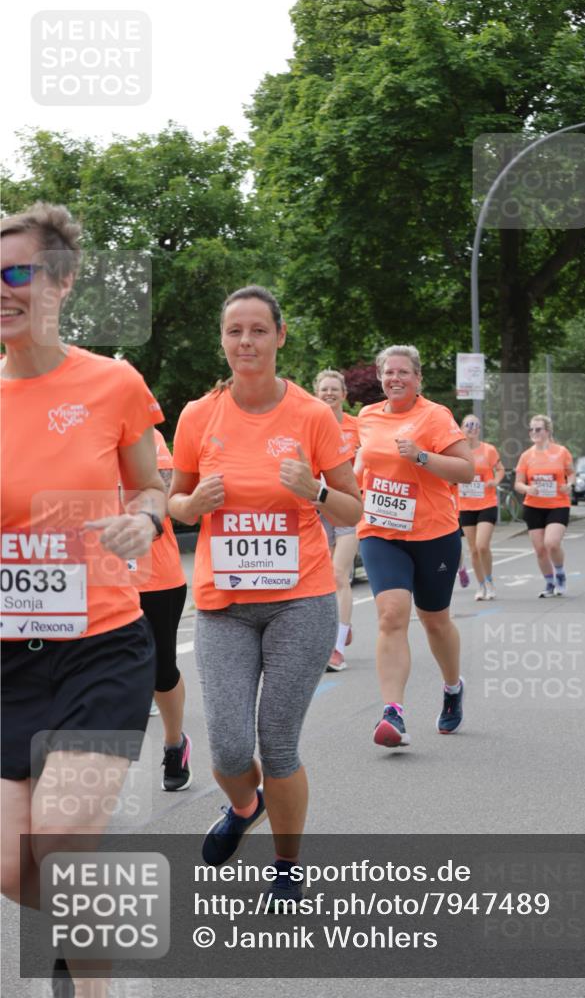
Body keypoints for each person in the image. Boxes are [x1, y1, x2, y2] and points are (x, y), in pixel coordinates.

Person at [1, 203, 165, 992]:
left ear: (60, 283)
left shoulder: (112, 383)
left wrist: (142, 519)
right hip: (7, 661)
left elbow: (151, 489)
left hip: (102, 645)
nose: (1, 291)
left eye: (16, 274)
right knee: (9, 864)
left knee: (61, 834)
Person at [168, 285, 361, 904]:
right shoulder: (199, 415)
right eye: (234, 332)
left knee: (277, 743)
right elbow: (173, 501)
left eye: (257, 330)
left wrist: (316, 491)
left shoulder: (312, 416)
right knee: (227, 747)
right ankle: (243, 805)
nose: (245, 342)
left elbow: (355, 507)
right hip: (223, 604)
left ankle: (286, 863)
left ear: (280, 336)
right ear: (222, 341)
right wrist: (191, 506)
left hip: (300, 600)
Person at [354, 345, 474, 748]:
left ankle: (452, 687)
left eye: (404, 372)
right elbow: (360, 465)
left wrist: (421, 456)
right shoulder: (367, 417)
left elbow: (466, 469)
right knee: (391, 615)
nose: (396, 379)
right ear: (381, 377)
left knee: (435, 619)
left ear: (418, 378)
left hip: (433, 532)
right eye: (389, 373)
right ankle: (394, 713)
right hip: (380, 530)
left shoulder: (435, 416)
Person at [130, 427, 191, 791]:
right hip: (93, 576)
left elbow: (164, 494)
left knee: (161, 670)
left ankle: (174, 743)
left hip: (155, 575)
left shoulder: (144, 435)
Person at [313, 369, 360, 672]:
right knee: (322, 583)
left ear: (344, 395)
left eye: (334, 389)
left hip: (348, 510)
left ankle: (337, 647)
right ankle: (343, 624)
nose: (329, 394)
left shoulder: (359, 427)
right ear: (316, 394)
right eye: (323, 390)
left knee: (338, 575)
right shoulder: (310, 424)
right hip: (317, 508)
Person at [514, 414, 575, 597]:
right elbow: (518, 483)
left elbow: (571, 473)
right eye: (531, 429)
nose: (534, 432)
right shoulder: (526, 456)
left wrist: (569, 485)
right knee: (540, 549)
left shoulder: (561, 452)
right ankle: (549, 582)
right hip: (533, 506)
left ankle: (561, 574)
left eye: (538, 429)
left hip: (558, 503)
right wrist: (527, 488)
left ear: (547, 431)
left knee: (552, 543)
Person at [457, 415, 505, 600]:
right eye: (468, 425)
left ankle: (490, 581)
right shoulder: (457, 452)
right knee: (473, 549)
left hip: (487, 503)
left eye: (476, 425)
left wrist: (495, 481)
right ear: (461, 428)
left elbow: (500, 469)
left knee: (482, 545)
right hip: (466, 505)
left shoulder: (489, 450)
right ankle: (481, 585)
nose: (472, 428)